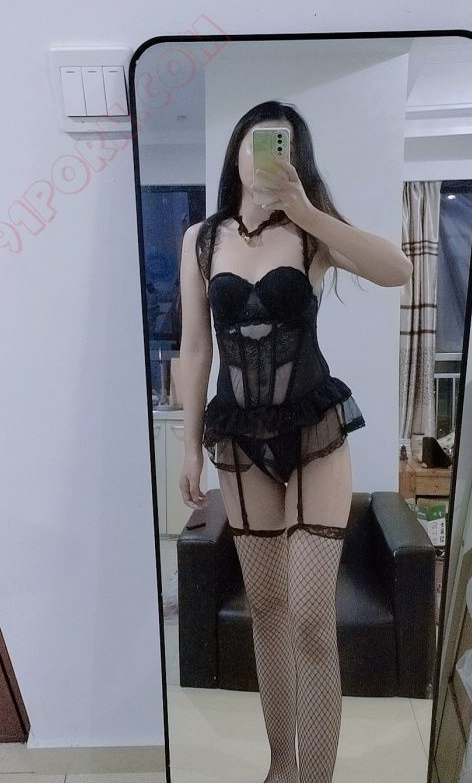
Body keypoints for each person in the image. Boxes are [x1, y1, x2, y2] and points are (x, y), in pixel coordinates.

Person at [178, 100, 413, 783]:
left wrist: (307, 210)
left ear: (295, 157)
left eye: (278, 144)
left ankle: (317, 777)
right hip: (238, 438)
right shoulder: (201, 240)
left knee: (311, 617)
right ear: (236, 152)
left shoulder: (311, 234)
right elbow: (195, 349)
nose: (264, 157)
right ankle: (282, 767)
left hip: (314, 432)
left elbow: (397, 269)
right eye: (255, 143)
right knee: (268, 612)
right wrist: (188, 446)